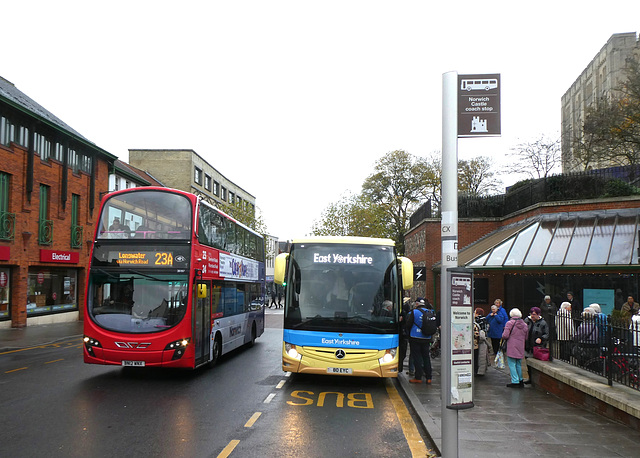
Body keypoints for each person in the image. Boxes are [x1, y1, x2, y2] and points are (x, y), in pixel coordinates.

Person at [406, 298, 436, 384]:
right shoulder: (430, 312)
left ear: (417, 304)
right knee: (426, 357)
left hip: (415, 337)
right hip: (427, 338)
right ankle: (429, 377)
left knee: (417, 358)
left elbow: (408, 324)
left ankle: (418, 377)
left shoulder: (414, 312)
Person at [502, 308, 529, 388]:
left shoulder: (509, 323)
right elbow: (526, 337)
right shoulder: (524, 324)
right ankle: (520, 380)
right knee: (518, 364)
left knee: (511, 363)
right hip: (520, 345)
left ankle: (515, 381)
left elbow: (505, 335)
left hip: (512, 346)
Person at [398, 297, 411, 373]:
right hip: (404, 336)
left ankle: (400, 367)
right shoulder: (407, 314)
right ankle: (400, 367)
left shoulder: (402, 314)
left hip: (401, 336)